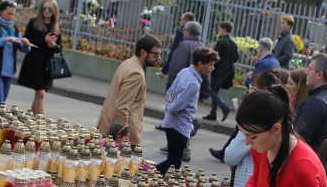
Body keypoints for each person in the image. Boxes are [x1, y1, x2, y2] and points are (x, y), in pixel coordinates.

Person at [157, 47, 218, 175]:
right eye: (211, 65)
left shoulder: (185, 72)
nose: (213, 68)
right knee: (174, 164)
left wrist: (168, 107)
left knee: (172, 160)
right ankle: (153, 182)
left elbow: (170, 92)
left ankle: (146, 173)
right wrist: (170, 108)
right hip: (179, 126)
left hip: (171, 123)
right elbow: (176, 106)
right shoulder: (193, 84)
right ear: (200, 64)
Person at [96, 34, 162, 147]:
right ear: (143, 53)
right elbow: (122, 107)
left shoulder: (129, 63)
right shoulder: (136, 74)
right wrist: (124, 138)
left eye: (160, 54)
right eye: (156, 54)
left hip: (109, 126)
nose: (159, 58)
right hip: (120, 133)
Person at [223, 70, 282, 187]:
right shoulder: (277, 119)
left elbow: (230, 157)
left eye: (253, 88)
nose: (248, 90)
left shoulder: (257, 124)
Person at [0, 0, 31, 104]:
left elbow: (24, 48)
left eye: (13, 14)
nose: (11, 16)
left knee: (1, 102)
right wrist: (3, 39)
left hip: (9, 71)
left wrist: (26, 44)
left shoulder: (14, 29)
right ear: (0, 12)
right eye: (8, 13)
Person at [18, 0, 62, 115]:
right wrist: (44, 40)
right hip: (35, 62)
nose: (46, 11)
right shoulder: (34, 22)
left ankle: (29, 118)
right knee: (41, 93)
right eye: (44, 8)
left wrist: (53, 45)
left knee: (39, 93)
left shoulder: (56, 26)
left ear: (54, 11)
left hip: (47, 65)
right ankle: (41, 124)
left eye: (49, 9)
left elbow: (59, 48)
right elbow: (28, 40)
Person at [293, 54, 327, 150]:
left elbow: (298, 140)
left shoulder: (315, 102)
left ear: (319, 75)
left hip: (312, 160)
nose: (306, 72)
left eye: (309, 69)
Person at [204, 20, 238, 122]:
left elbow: (215, 57)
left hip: (218, 70)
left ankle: (224, 107)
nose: (219, 31)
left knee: (211, 90)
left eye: (220, 29)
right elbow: (236, 58)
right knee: (215, 90)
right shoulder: (233, 43)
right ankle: (213, 113)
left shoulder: (221, 42)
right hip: (228, 71)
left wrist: (210, 67)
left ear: (224, 29)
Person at [160, 11, 194, 77]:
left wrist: (164, 70)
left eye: (180, 19)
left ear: (185, 21)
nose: (180, 21)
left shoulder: (181, 33)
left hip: (178, 70)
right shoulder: (197, 37)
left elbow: (174, 52)